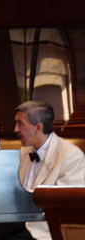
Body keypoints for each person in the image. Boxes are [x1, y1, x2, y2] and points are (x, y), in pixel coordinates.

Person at [11, 100, 85, 240]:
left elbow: (66, 207)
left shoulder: (71, 156)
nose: (15, 129)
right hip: (16, 224)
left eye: (20, 124)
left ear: (37, 128)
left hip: (43, 231)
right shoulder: (24, 151)